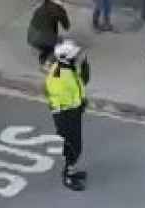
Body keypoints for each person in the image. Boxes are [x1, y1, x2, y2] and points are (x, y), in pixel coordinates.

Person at [44, 39, 91, 191]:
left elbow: (79, 84)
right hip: (66, 115)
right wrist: (77, 106)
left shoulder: (68, 68)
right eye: (74, 56)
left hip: (73, 112)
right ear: (66, 58)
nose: (76, 58)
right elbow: (62, 98)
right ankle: (67, 176)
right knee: (73, 146)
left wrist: (85, 70)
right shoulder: (58, 75)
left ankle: (70, 170)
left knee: (74, 145)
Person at [27, 0, 71, 66]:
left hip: (31, 36)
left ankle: (43, 59)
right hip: (43, 38)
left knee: (48, 42)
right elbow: (67, 26)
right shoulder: (57, 10)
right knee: (60, 42)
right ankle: (48, 64)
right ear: (52, 0)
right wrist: (62, 8)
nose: (60, 0)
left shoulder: (41, 6)